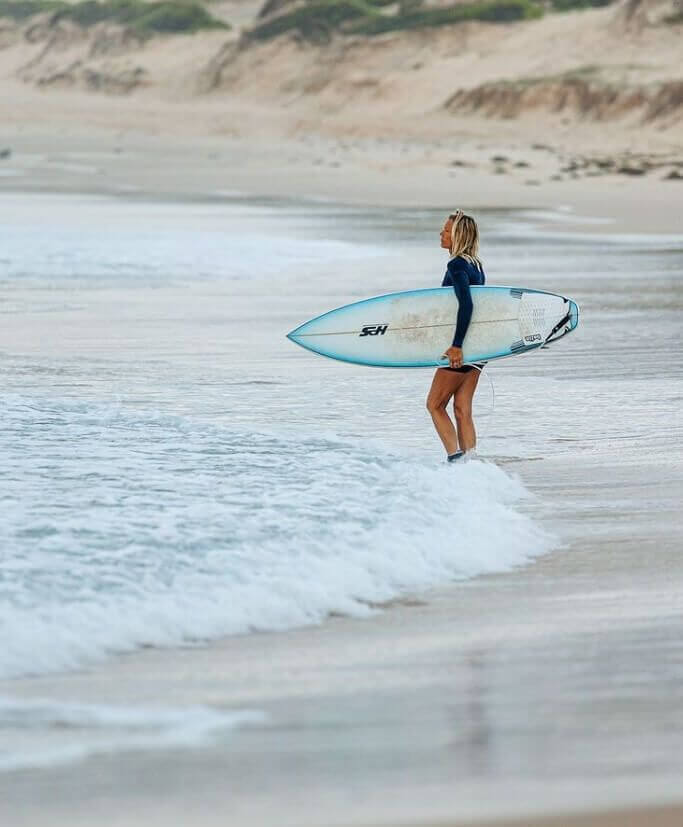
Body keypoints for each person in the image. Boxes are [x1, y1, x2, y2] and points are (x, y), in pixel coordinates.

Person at [426, 210, 486, 463]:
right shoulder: (476, 265)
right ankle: (471, 464)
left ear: (458, 235)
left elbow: (467, 304)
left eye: (447, 230)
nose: (441, 234)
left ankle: (455, 459)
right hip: (482, 346)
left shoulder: (457, 264)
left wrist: (456, 346)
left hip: (463, 345)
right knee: (462, 409)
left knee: (435, 405)